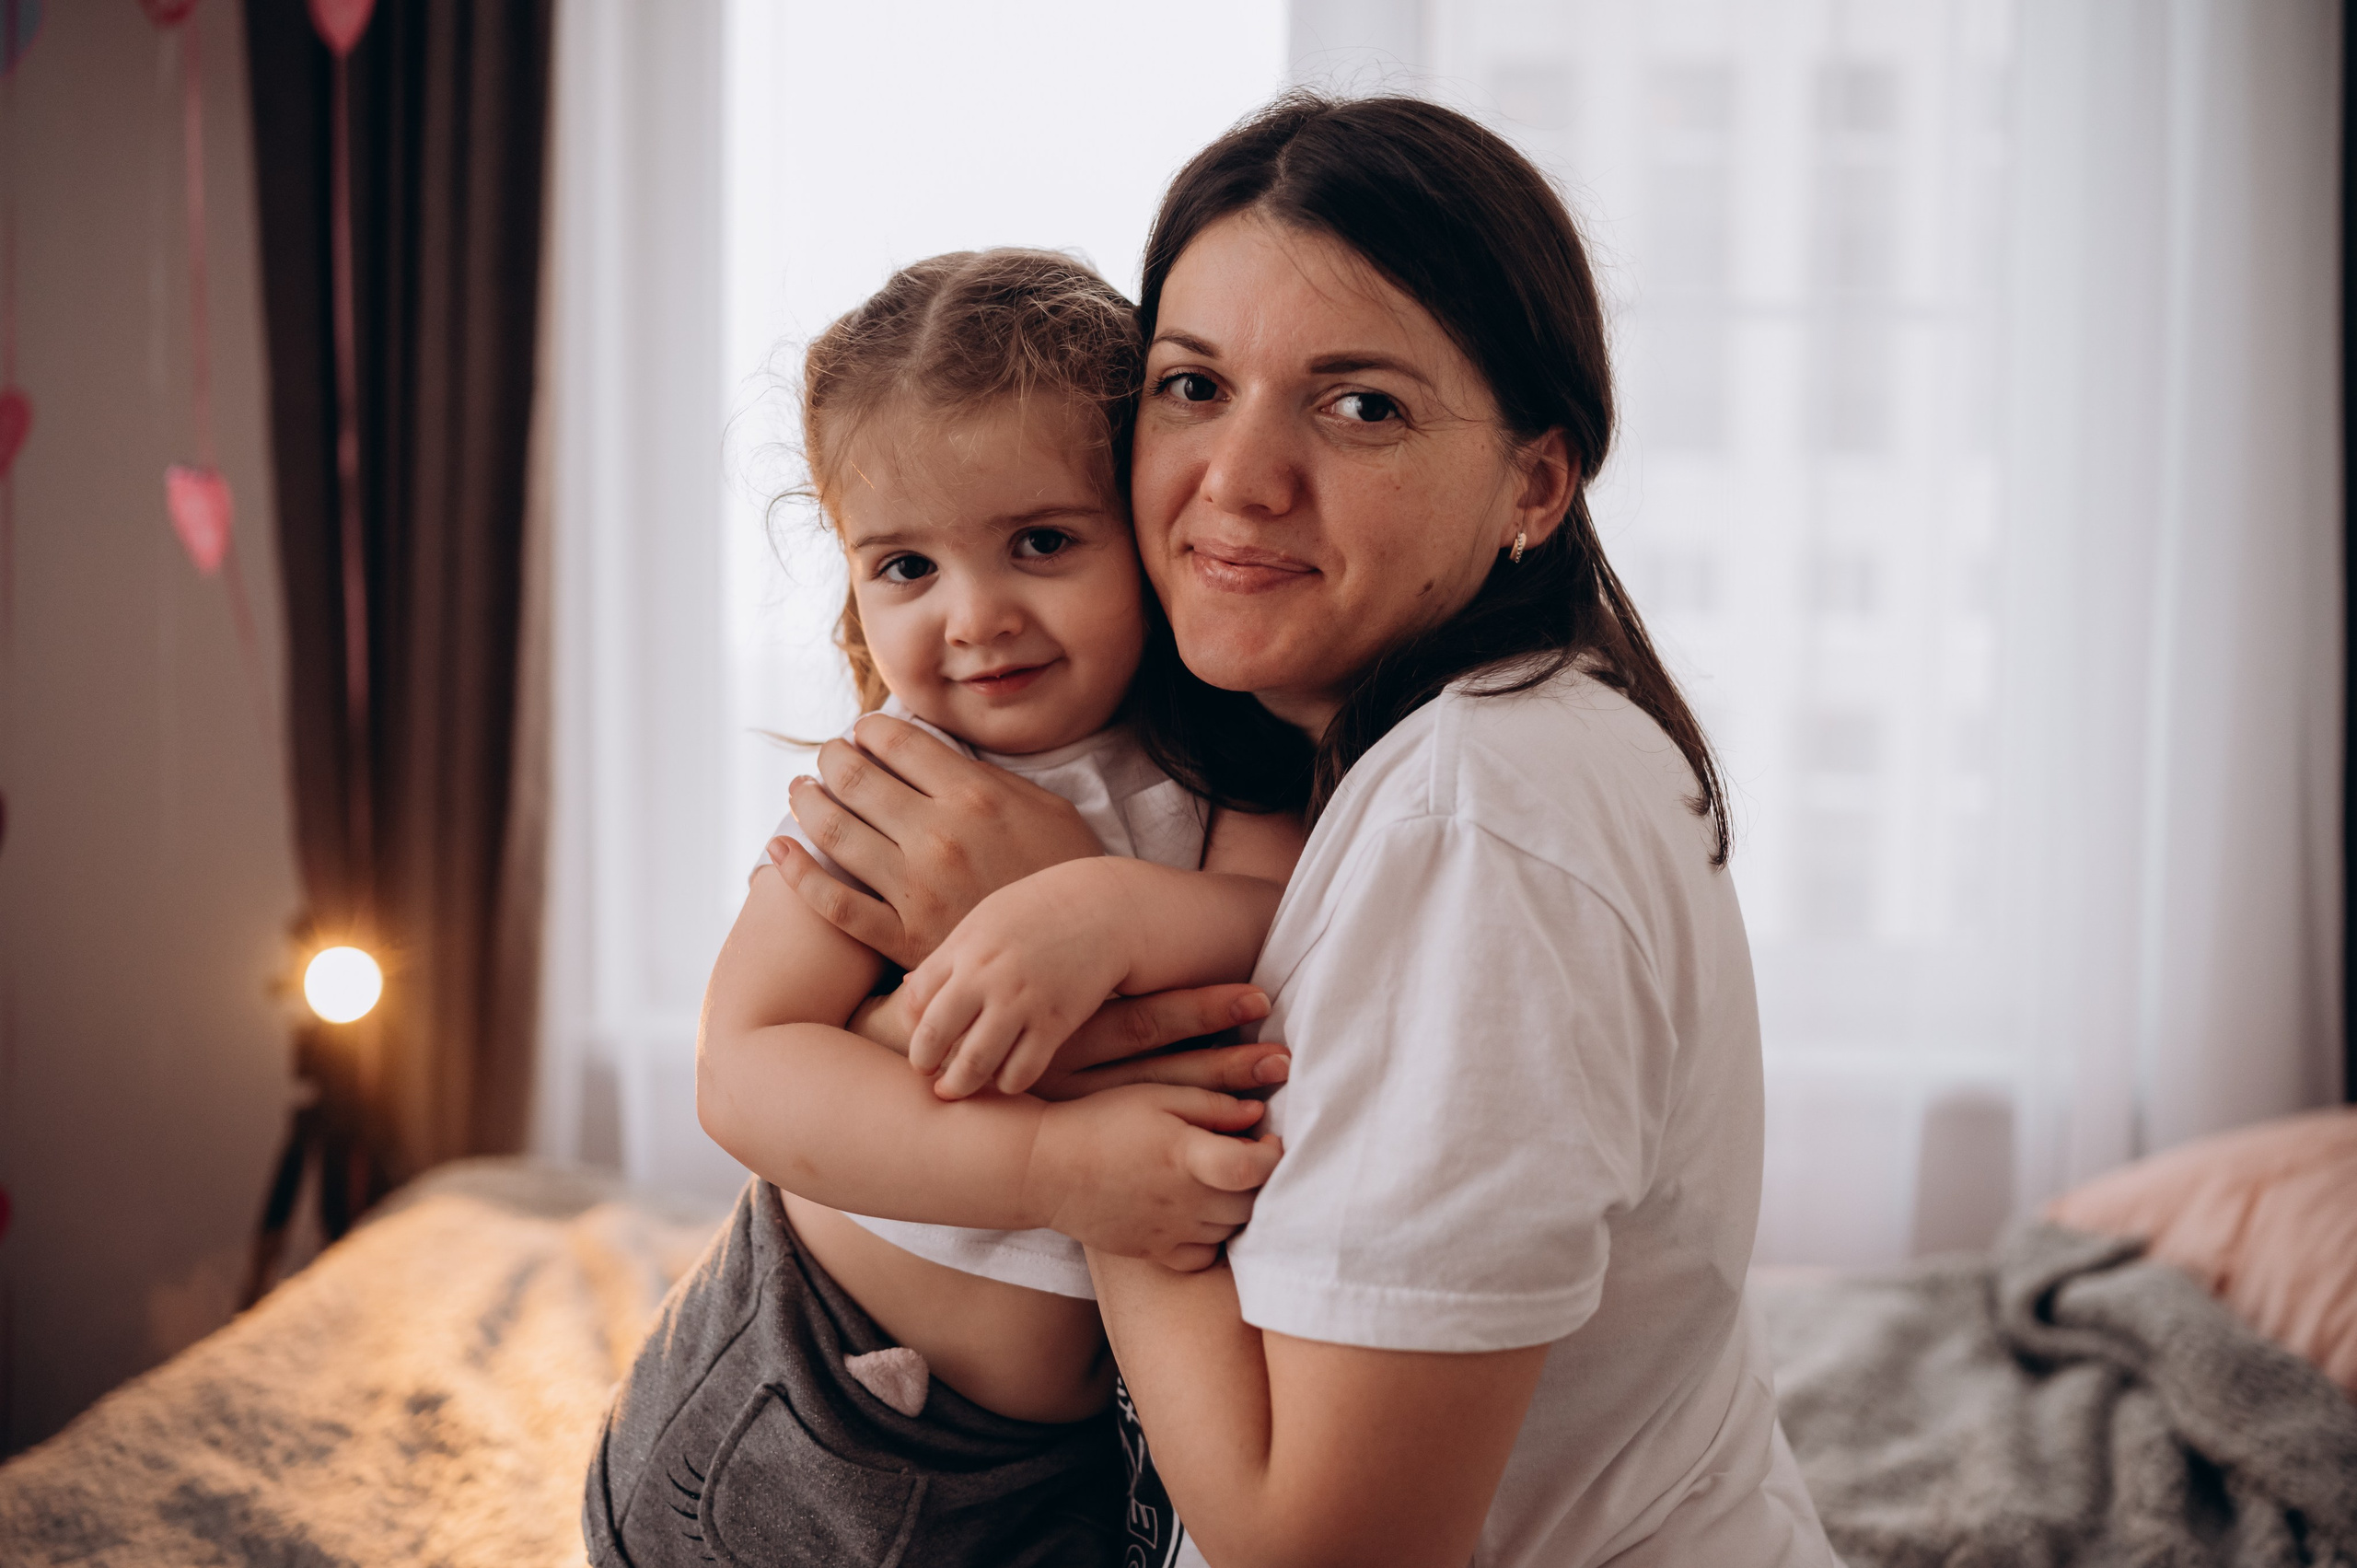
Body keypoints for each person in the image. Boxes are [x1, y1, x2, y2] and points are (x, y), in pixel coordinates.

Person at [778, 97, 1843, 1567]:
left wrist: (1102, 1061)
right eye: (1194, 385)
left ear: (1536, 481)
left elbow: (1324, 1549)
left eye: (1362, 406)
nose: (1241, 479)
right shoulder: (1409, 752)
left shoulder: (1479, 818)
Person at [583, 250, 1308, 1568]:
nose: (977, 618)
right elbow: (743, 1071)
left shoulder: (1229, 752)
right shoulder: (892, 790)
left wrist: (1110, 912)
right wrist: (1051, 1168)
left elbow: (1285, 929)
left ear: (1148, 523)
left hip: (1057, 1466)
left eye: (1041, 543)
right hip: (812, 1423)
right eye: (905, 565)